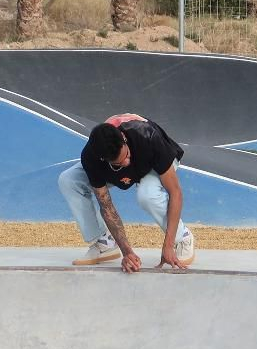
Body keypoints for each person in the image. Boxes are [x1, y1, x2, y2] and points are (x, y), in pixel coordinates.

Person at [58, 112, 196, 272]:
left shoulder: (148, 137)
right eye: (120, 162)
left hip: (150, 160)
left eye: (127, 155)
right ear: (104, 159)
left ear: (123, 137)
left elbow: (175, 192)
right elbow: (106, 206)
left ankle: (183, 238)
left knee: (147, 195)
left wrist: (168, 245)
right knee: (68, 180)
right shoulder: (92, 158)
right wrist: (127, 253)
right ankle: (105, 244)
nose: (127, 162)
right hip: (115, 164)